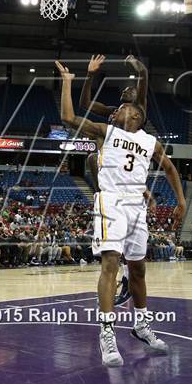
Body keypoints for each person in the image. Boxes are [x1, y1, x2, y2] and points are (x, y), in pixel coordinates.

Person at [56, 61, 186, 367]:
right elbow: (69, 116)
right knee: (110, 264)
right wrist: (68, 81)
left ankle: (141, 325)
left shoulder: (150, 141)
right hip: (110, 201)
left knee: (138, 270)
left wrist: (180, 199)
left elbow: (169, 167)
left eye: (125, 107)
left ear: (138, 115)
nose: (118, 109)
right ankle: (107, 332)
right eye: (118, 108)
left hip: (136, 206)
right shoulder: (107, 129)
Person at [80, 54, 149, 306]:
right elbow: (84, 104)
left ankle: (130, 279)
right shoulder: (112, 113)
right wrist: (90, 76)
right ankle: (104, 196)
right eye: (125, 90)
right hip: (115, 172)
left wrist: (136, 65)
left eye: (131, 89)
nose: (127, 90)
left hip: (131, 168)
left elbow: (144, 76)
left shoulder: (139, 109)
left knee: (131, 251)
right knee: (90, 158)